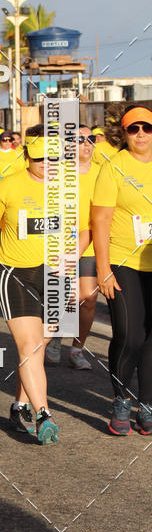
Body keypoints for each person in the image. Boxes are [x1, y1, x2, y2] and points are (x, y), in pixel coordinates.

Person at [0, 125, 63, 445]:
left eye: (53, 157)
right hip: (14, 273)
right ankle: (43, 413)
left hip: (54, 274)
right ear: (27, 156)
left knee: (40, 345)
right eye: (40, 157)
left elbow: (83, 228)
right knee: (29, 345)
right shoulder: (8, 186)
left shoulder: (68, 188)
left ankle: (19, 405)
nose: (47, 162)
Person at [92, 105, 152, 435]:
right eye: (134, 128)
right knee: (130, 334)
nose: (141, 133)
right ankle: (121, 399)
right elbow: (100, 221)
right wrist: (103, 269)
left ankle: (147, 403)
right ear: (124, 133)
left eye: (147, 127)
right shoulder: (114, 166)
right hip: (123, 259)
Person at [71, 126, 100, 370]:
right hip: (62, 243)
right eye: (80, 139)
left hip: (92, 244)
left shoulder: (104, 172)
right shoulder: (58, 173)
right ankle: (53, 338)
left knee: (88, 299)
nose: (86, 143)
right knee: (63, 297)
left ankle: (77, 348)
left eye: (91, 139)